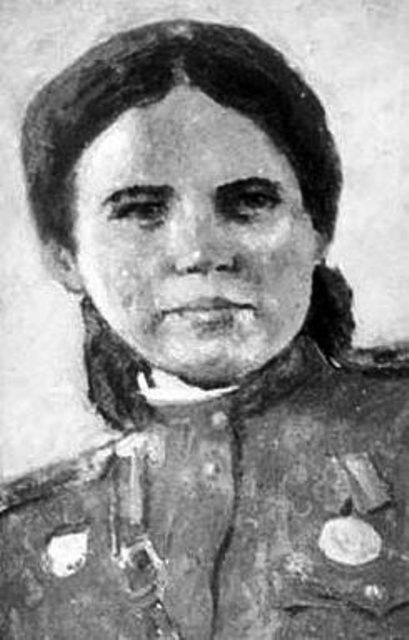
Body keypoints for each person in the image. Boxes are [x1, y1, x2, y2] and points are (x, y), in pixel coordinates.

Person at [1, 18, 409, 639]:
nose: (199, 252)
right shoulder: (23, 542)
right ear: (64, 256)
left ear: (317, 228)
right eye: (141, 210)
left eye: (249, 202)